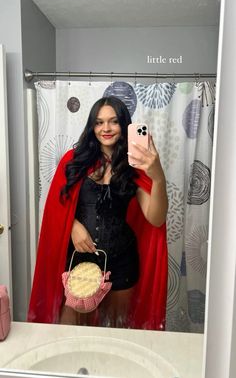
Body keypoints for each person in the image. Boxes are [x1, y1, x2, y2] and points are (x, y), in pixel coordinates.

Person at [28, 96, 168, 329]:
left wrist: (158, 176)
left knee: (116, 332)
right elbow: (56, 208)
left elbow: (155, 218)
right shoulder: (73, 161)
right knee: (70, 331)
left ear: (123, 126)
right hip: (80, 260)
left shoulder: (135, 165)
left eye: (113, 122)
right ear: (92, 126)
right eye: (99, 122)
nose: (106, 128)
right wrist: (72, 226)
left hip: (122, 263)